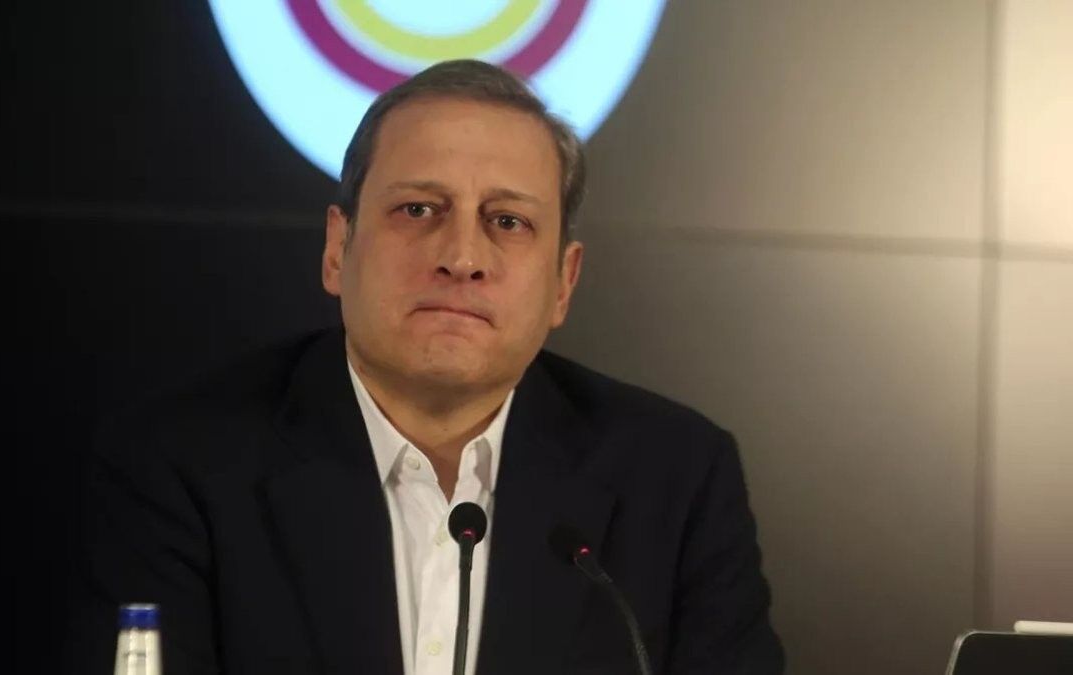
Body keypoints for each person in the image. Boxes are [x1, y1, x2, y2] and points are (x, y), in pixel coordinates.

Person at [68, 59, 784, 674]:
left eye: (507, 221)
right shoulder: (179, 467)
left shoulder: (678, 480)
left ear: (564, 282)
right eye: (418, 209)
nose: (462, 257)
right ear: (337, 248)